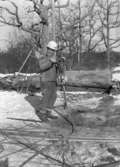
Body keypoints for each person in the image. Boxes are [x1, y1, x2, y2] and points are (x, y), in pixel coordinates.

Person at [34, 40, 59, 122]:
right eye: (50, 50)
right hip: (46, 80)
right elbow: (42, 67)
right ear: (47, 49)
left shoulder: (54, 58)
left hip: (53, 80)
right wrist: (50, 62)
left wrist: (60, 62)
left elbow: (57, 69)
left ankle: (48, 111)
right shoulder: (42, 57)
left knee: (53, 96)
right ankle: (42, 113)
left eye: (53, 50)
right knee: (46, 96)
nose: (51, 52)